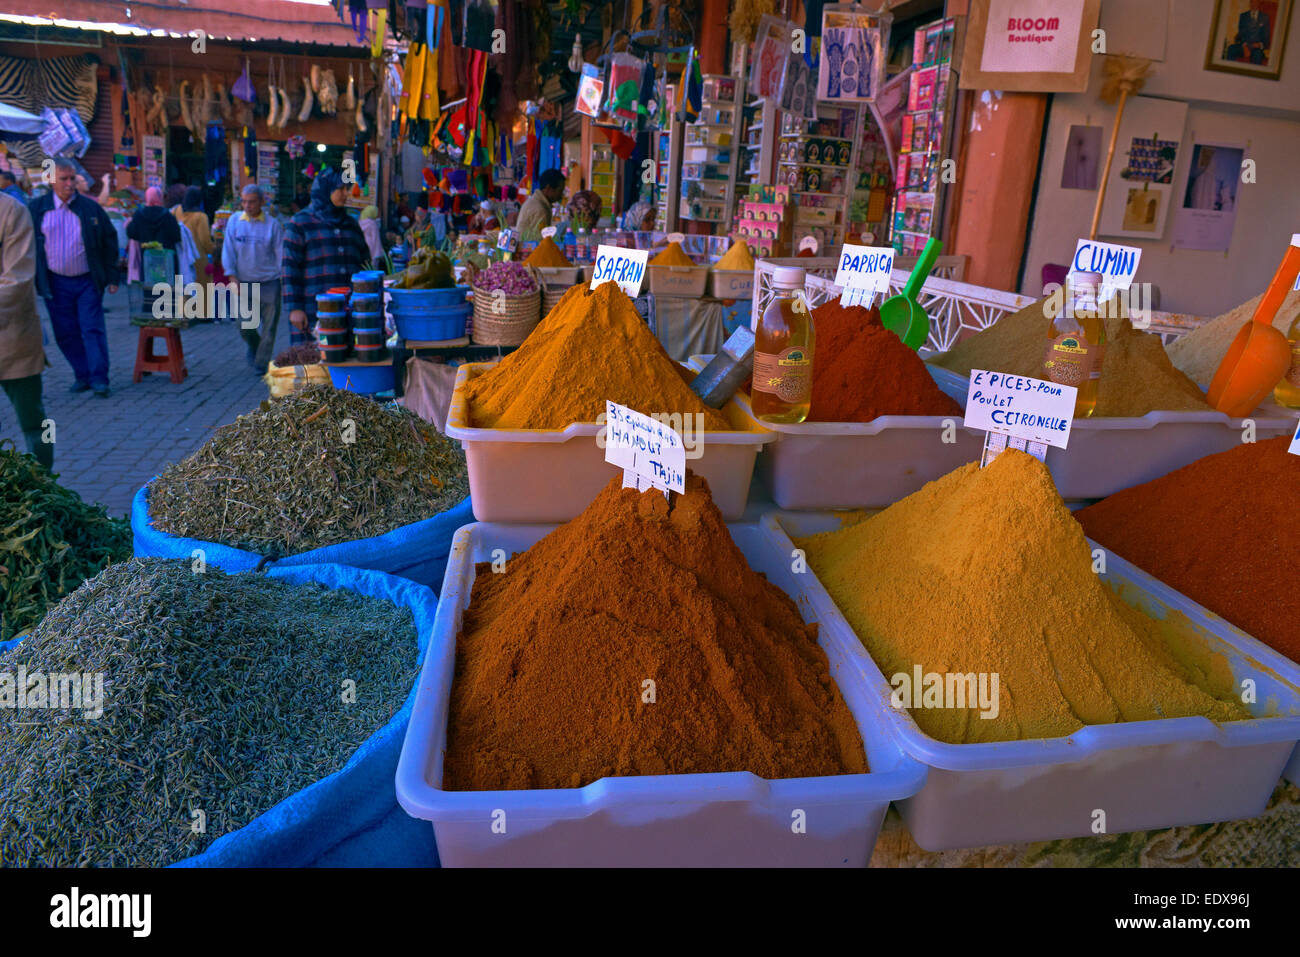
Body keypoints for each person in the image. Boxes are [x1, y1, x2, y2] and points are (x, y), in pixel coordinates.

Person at [29, 157, 119, 398]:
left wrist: (112, 276)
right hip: (55, 282)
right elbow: (26, 245)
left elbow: (109, 240)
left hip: (87, 280)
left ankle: (100, 378)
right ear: (51, 181)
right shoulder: (37, 209)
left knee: (92, 328)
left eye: (72, 179)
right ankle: (82, 374)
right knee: (65, 332)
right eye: (64, 179)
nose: (69, 184)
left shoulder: (90, 208)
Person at [282, 167, 370, 345]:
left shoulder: (351, 224)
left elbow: (364, 264)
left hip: (349, 312)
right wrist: (294, 309)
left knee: (345, 360)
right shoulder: (300, 223)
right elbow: (289, 269)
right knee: (316, 361)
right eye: (341, 189)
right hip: (314, 313)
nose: (346, 194)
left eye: (347, 188)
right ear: (326, 188)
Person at [0, 191, 52, 468]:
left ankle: (46, 483)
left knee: (34, 422)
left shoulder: (11, 212)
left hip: (12, 340)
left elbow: (17, 280)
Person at [222, 184, 286, 374]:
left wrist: (282, 279)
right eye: (244, 201)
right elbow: (228, 252)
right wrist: (232, 278)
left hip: (269, 282)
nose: (247, 205)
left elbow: (281, 255)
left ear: (261, 202)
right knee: (243, 324)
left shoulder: (272, 225)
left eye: (251, 202)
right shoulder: (234, 222)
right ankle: (255, 346)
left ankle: (262, 361)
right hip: (243, 282)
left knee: (269, 326)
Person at [515, 168, 565, 236]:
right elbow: (541, 241)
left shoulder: (534, 201)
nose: (561, 195)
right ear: (548, 188)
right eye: (560, 190)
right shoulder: (540, 209)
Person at [1228, 0, 1272, 64]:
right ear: (1250, 3)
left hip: (1257, 48)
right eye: (1252, 2)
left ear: (1258, 3)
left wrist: (1260, 44)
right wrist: (1244, 45)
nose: (1253, 4)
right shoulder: (1243, 16)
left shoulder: (1265, 17)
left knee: (1257, 55)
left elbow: (1266, 36)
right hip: (1245, 45)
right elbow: (1241, 33)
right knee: (1231, 48)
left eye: (1255, 2)